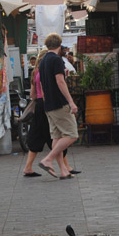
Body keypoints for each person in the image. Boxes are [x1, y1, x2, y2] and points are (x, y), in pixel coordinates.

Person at [22, 50, 77, 176]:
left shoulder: (34, 72)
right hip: (49, 104)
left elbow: (32, 95)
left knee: (42, 136)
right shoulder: (46, 71)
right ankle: (61, 166)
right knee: (59, 137)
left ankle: (30, 167)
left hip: (39, 106)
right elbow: (52, 87)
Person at [38, 33, 79, 179]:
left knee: (57, 137)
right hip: (59, 103)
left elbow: (45, 83)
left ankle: (63, 171)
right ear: (59, 45)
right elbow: (60, 82)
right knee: (72, 135)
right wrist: (71, 102)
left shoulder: (42, 61)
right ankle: (47, 159)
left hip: (48, 104)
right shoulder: (57, 60)